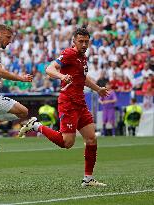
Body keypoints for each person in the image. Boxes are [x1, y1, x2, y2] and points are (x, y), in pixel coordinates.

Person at [19, 27, 109, 187]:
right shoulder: (69, 54)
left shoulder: (83, 57)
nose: (83, 44)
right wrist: (62, 76)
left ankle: (88, 179)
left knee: (91, 138)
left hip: (80, 102)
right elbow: (49, 68)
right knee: (67, 143)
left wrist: (98, 89)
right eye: (80, 41)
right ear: (74, 41)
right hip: (68, 103)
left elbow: (82, 78)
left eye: (86, 42)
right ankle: (36, 126)